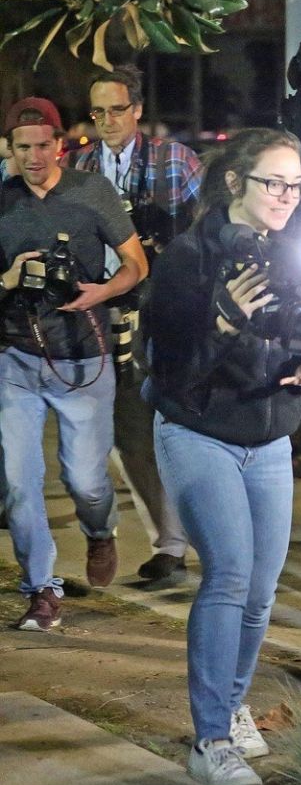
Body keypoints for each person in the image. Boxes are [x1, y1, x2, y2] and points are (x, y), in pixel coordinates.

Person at [143, 128, 301, 785]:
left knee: (260, 589)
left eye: (295, 185)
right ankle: (210, 740)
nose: (286, 196)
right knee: (227, 575)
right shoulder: (186, 258)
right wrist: (222, 321)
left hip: (269, 438)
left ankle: (231, 706)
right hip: (199, 432)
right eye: (273, 182)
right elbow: (168, 371)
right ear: (234, 183)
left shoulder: (292, 251)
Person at [0, 97, 148, 631]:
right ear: (9, 150)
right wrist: (8, 280)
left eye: (43, 145)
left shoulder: (92, 192)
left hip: (84, 357)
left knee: (85, 481)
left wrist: (101, 292)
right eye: (23, 148)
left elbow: (136, 264)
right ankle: (40, 589)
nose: (33, 157)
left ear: (59, 144)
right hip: (15, 358)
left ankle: (100, 531)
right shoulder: (2, 200)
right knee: (19, 483)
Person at [69, 64, 203, 585]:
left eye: (117, 110)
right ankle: (169, 543)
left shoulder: (175, 160)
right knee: (128, 435)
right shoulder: (78, 165)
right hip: (101, 310)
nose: (107, 121)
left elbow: (207, 232)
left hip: (164, 309)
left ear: (138, 110)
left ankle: (188, 539)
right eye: (98, 112)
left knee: (174, 427)